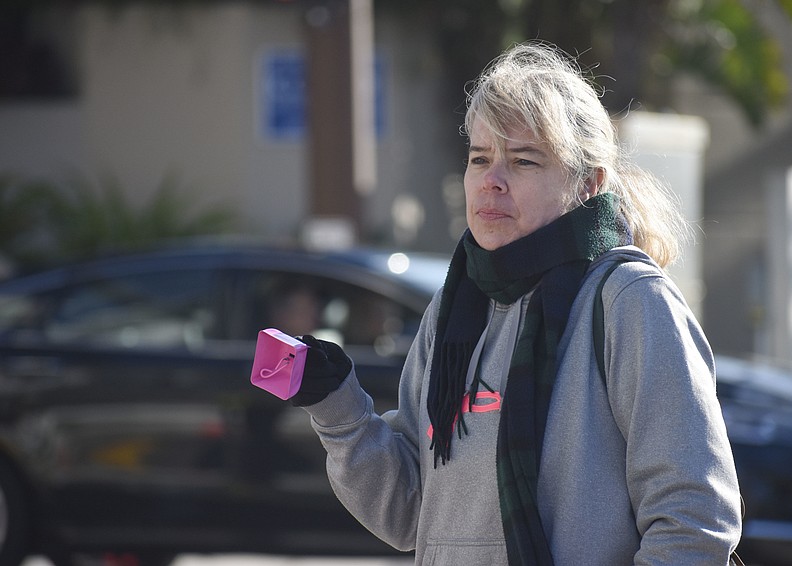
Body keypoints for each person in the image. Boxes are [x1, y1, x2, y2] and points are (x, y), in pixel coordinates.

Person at [287, 41, 743, 565]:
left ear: (587, 184)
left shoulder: (631, 303)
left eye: (524, 161)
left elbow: (695, 520)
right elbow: (409, 515)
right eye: (480, 158)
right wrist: (338, 409)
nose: (491, 181)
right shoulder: (453, 311)